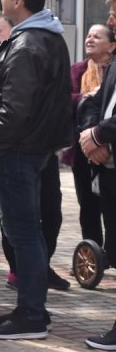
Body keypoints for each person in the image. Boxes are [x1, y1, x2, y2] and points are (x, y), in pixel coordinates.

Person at [0, 0, 71, 340]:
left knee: (24, 233)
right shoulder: (42, 37)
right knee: (24, 232)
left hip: (18, 151)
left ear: (18, 1)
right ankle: (29, 308)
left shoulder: (29, 42)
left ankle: (32, 314)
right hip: (30, 150)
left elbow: (16, 107)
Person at [70, 24, 116, 260]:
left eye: (97, 36)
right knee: (89, 206)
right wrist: (91, 138)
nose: (89, 39)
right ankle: (95, 256)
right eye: (88, 35)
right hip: (86, 149)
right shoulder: (78, 70)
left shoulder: (111, 69)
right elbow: (69, 100)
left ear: (111, 45)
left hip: (109, 150)